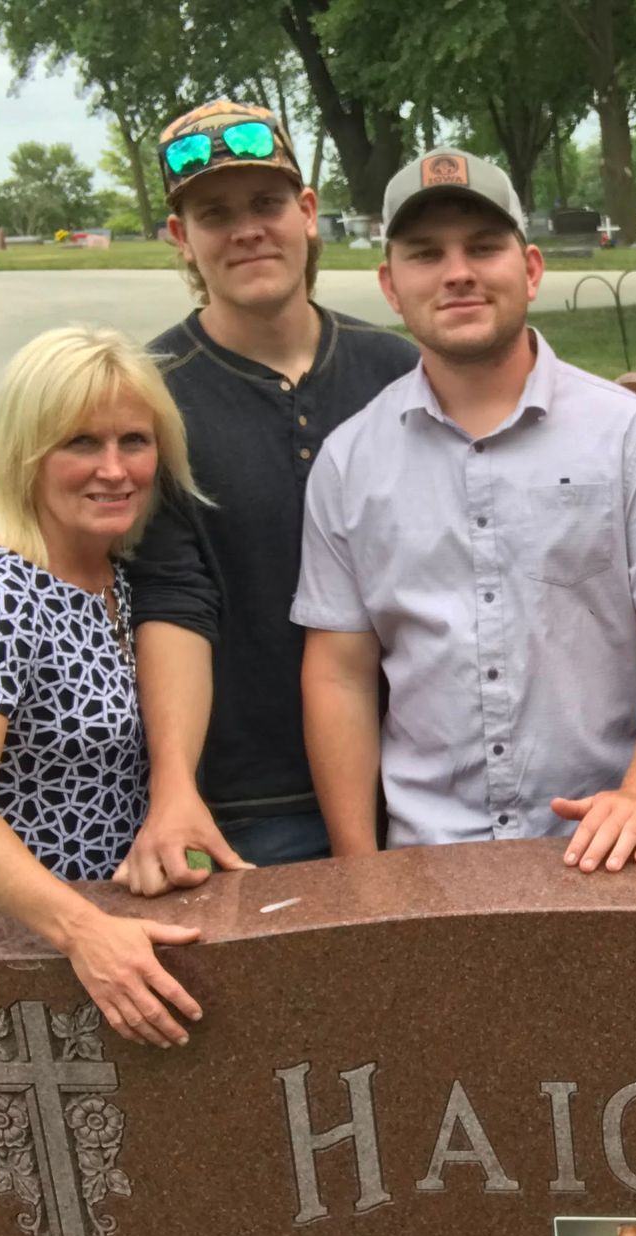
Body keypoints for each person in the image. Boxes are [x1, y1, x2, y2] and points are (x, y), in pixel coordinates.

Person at [294, 150, 636, 869]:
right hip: (427, 858)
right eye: (425, 254)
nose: (457, 272)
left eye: (483, 247)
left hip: (605, 847)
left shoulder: (629, 439)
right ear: (390, 286)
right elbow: (339, 671)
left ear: (531, 268)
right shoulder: (348, 461)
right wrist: (357, 867)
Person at [116, 99, 417, 894]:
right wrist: (174, 784)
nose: (247, 229)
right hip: (252, 804)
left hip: (429, 782)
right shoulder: (153, 397)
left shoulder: (398, 372)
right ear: (180, 237)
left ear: (307, 213)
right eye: (214, 214)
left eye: (266, 204)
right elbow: (171, 599)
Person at [0, 327, 210, 1049]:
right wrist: (84, 932)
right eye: (80, 443)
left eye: (133, 441)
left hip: (119, 946)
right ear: (26, 455)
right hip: (22, 952)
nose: (114, 469)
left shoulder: (126, 584)